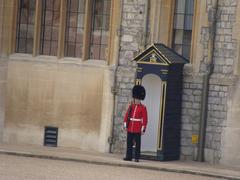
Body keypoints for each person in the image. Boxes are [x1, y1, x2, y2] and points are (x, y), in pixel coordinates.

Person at [123, 85, 148, 162]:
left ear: (140, 99)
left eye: (138, 99)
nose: (137, 100)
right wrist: (125, 125)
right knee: (129, 143)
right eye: (136, 98)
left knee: (137, 144)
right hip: (130, 126)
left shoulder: (143, 108)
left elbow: (145, 119)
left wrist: (143, 129)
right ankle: (129, 156)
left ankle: (137, 157)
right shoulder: (131, 106)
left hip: (137, 128)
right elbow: (127, 115)